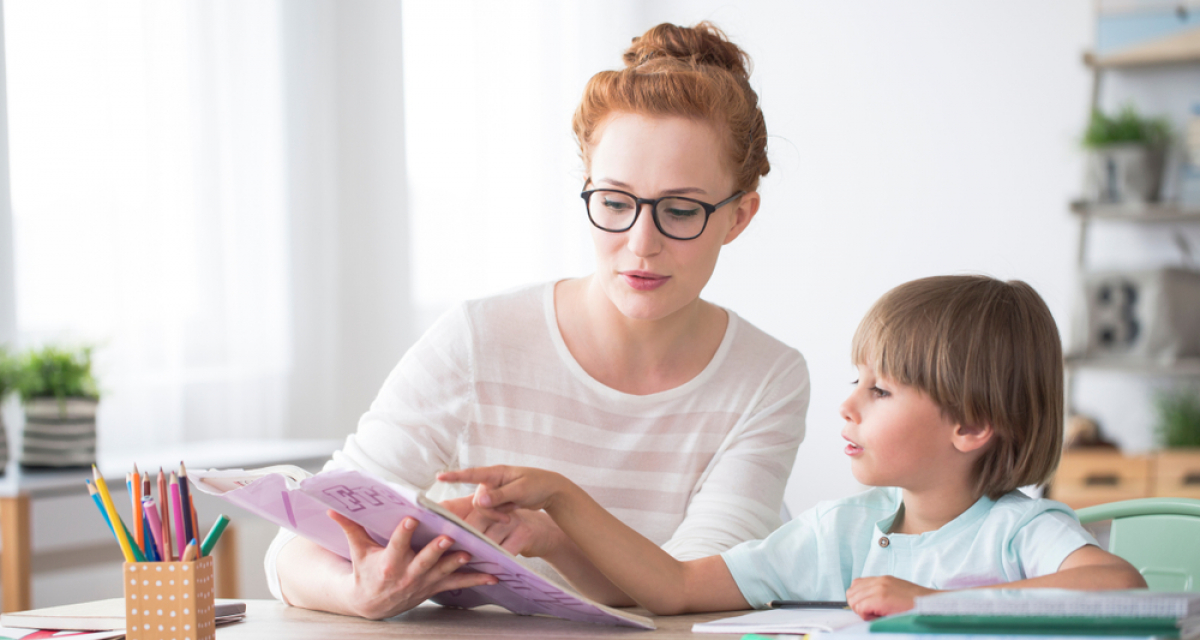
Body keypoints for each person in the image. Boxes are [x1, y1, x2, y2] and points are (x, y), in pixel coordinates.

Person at [267, 22, 810, 620]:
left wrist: (558, 529)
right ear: (587, 190)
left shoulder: (767, 377)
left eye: (680, 210)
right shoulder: (479, 339)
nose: (641, 242)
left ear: (739, 217)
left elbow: (697, 587)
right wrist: (358, 592)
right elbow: (295, 547)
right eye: (614, 202)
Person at [440, 275, 1148, 621]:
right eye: (855, 380)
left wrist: (931, 603)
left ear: (969, 426)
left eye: (881, 391)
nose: (847, 404)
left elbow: (1119, 587)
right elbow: (675, 588)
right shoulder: (839, 531)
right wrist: (560, 517)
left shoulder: (1022, 531)